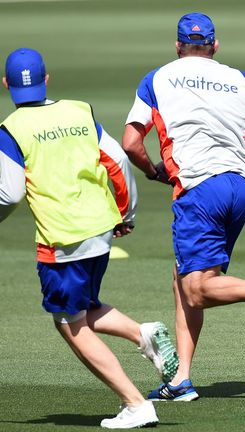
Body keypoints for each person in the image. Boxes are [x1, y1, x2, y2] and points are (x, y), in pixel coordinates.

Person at [121, 12, 245, 401]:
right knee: (183, 280)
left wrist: (154, 171)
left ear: (177, 46)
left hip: (200, 187)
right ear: (215, 47)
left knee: (199, 288)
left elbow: (131, 143)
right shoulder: (241, 79)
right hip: (240, 186)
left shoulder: (158, 78)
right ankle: (180, 380)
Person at [0, 48, 179, 429]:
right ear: (47, 79)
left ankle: (135, 403)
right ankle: (143, 334)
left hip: (61, 236)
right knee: (83, 305)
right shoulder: (80, 111)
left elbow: (9, 193)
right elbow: (116, 160)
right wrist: (125, 213)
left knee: (69, 324)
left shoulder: (11, 128)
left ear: (6, 85)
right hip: (100, 228)